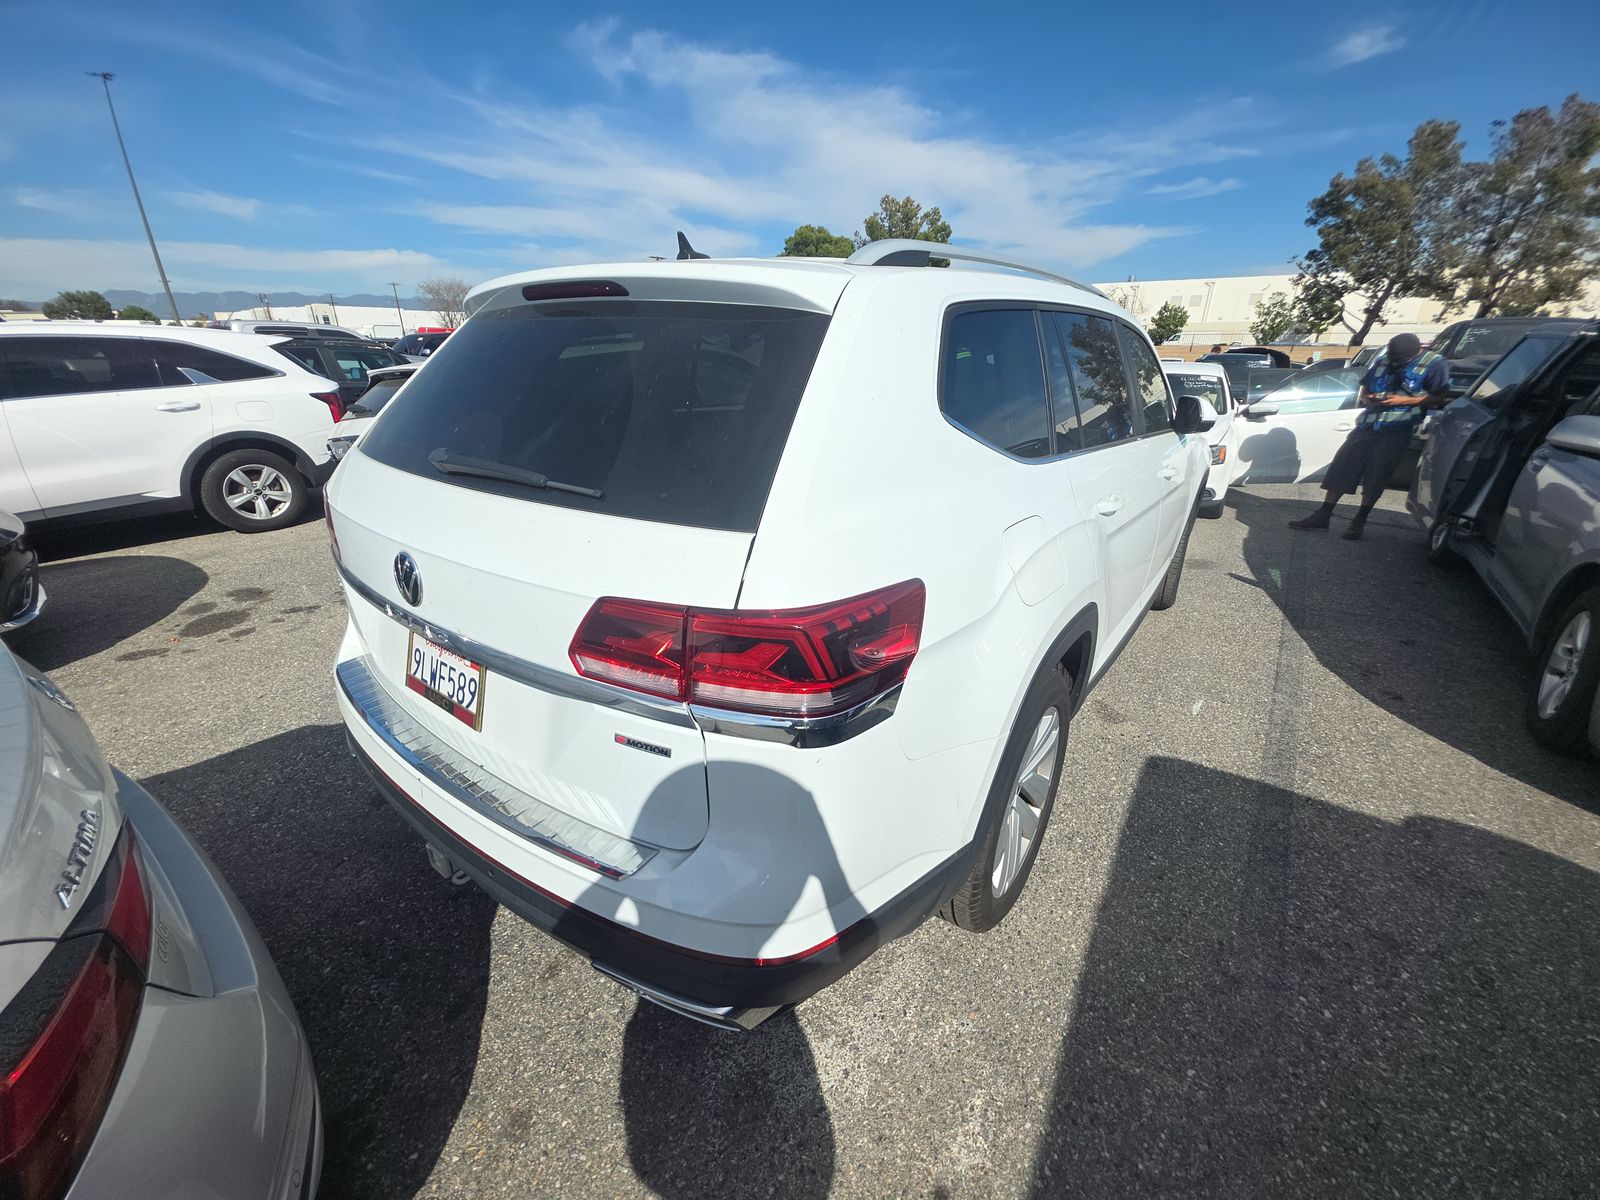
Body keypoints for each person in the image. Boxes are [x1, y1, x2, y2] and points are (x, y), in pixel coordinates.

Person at [1288, 332, 1450, 540]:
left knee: (1377, 475)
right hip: (1367, 426)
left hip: (1396, 429)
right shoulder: (1384, 360)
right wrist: (1368, 397)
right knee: (1342, 468)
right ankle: (1323, 515)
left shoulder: (1435, 364)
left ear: (1416, 352)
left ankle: (1359, 521)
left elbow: (1441, 397)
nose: (1395, 363)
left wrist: (1403, 401)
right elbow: (1364, 387)